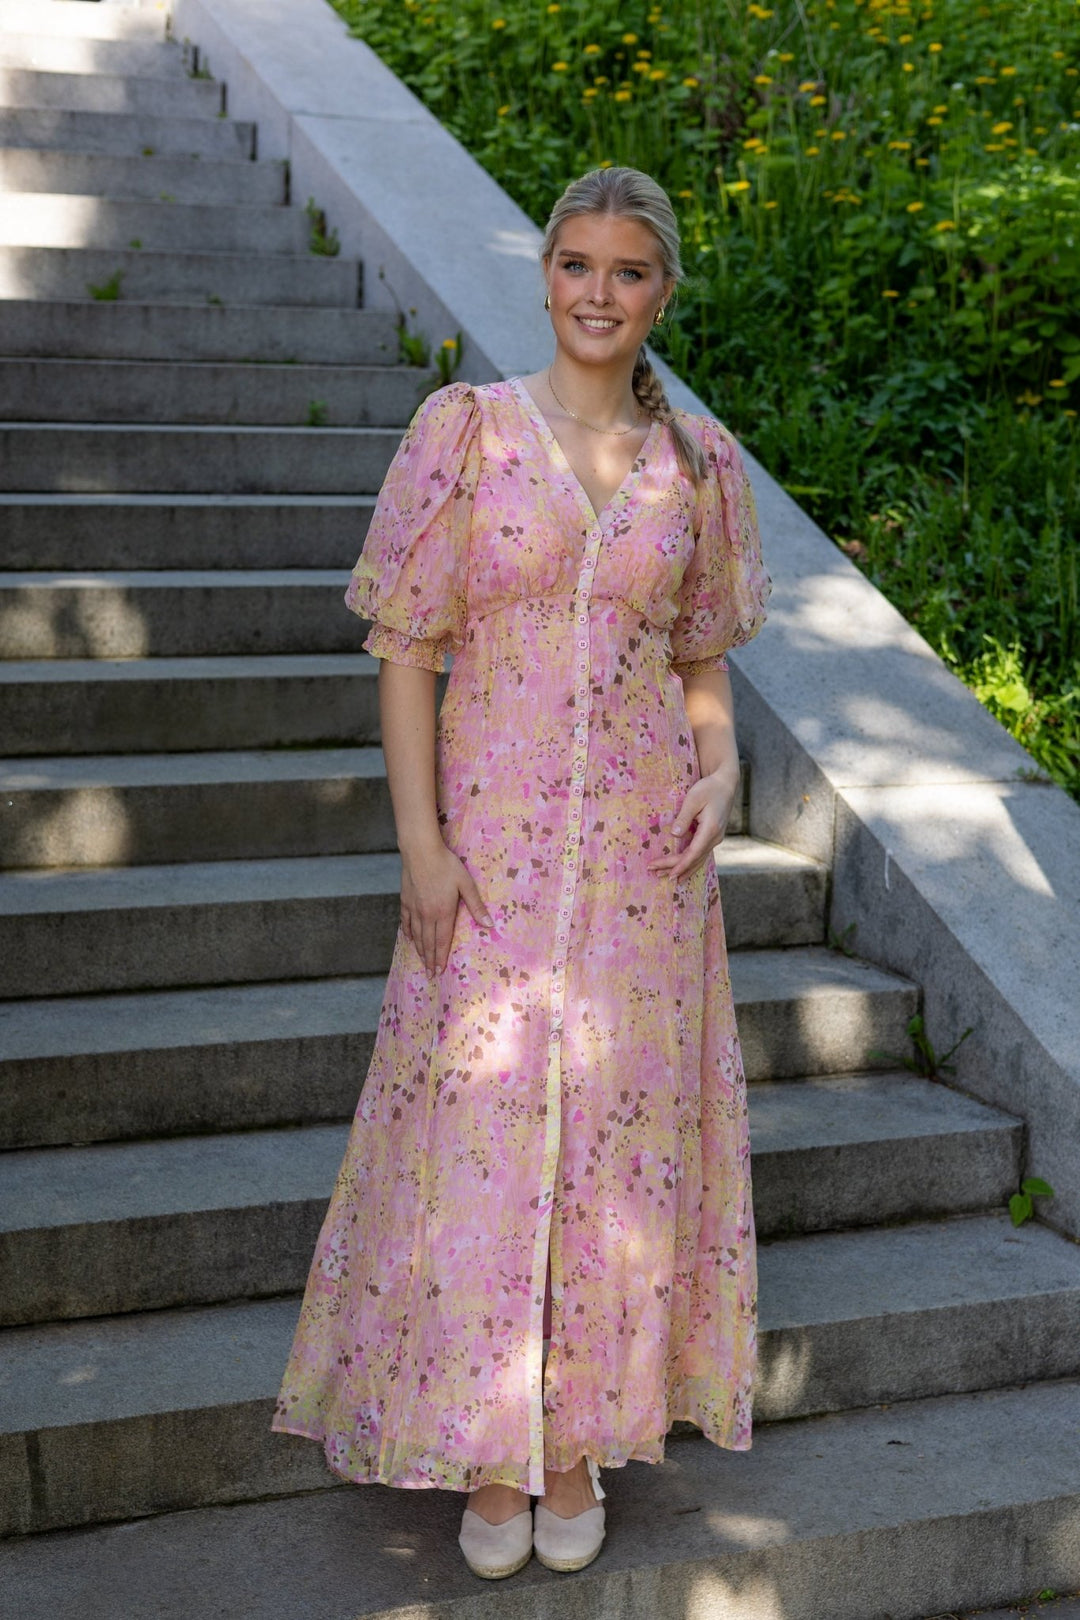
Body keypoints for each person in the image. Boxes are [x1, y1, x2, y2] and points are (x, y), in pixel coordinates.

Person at [272, 165, 770, 1581]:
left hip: (639, 869)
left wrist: (720, 770)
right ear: (543, 276)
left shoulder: (698, 466)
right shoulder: (469, 438)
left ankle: (576, 1441)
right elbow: (410, 654)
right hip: (487, 857)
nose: (600, 294)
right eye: (577, 266)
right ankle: (492, 1447)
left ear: (662, 290)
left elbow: (701, 664)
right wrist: (420, 846)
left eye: (629, 271)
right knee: (482, 1139)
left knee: (614, 1154)